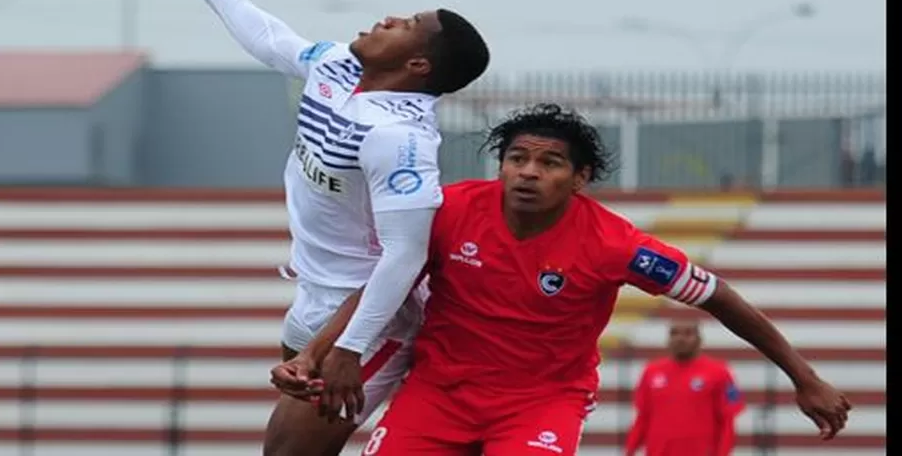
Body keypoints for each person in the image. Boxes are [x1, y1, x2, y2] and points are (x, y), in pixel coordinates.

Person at [274, 103, 852, 455]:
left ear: (580, 178)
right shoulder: (450, 210)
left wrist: (805, 377)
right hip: (439, 392)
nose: (528, 172)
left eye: (549, 163)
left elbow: (720, 299)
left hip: (540, 403)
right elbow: (385, 280)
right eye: (517, 158)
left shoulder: (617, 245)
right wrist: (316, 354)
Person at [166, 0, 490, 454]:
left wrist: (350, 346)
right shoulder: (339, 65)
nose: (388, 18)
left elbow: (406, 254)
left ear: (417, 66)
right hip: (312, 289)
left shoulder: (401, 138)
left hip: (366, 312)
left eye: (405, 25)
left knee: (287, 451)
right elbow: (274, 42)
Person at [625, 320, 745, 456]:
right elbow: (643, 418)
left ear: (699, 340)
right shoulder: (651, 372)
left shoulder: (720, 372)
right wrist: (630, 450)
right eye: (674, 333)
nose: (680, 339)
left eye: (688, 334)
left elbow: (727, 422)